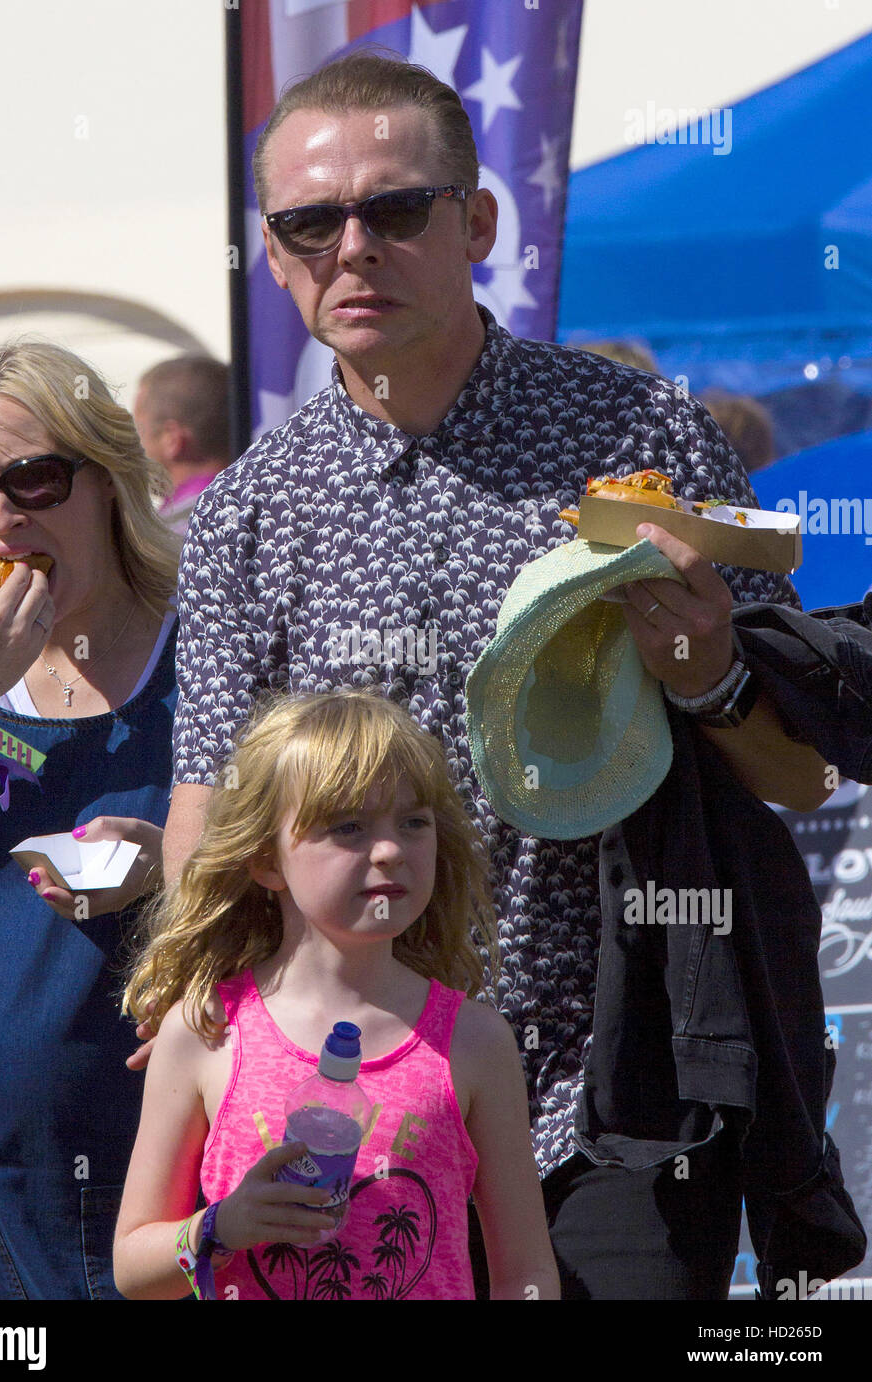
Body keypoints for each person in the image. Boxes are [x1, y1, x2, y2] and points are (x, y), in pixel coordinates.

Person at [163, 53, 832, 1299]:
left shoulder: (636, 439)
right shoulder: (248, 513)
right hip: (359, 1112)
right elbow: (206, 803)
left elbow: (796, 772)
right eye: (311, 221)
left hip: (615, 1091)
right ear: (273, 254)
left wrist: (706, 674)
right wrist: (194, 1022)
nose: (351, 248)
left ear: (475, 222)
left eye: (394, 209)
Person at [0, 340, 181, 1299]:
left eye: (35, 479)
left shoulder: (206, 641)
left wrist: (182, 862)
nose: (2, 519)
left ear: (110, 483)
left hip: (170, 1176)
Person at [114, 688, 559, 1300]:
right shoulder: (206, 1030)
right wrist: (221, 1227)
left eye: (414, 822)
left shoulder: (475, 1041)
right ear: (267, 859)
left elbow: (526, 1273)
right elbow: (133, 1268)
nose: (390, 850)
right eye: (348, 826)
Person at [133, 355, 232, 534]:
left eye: (139, 429)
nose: (133, 442)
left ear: (172, 439)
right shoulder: (269, 506)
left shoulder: (170, 537)